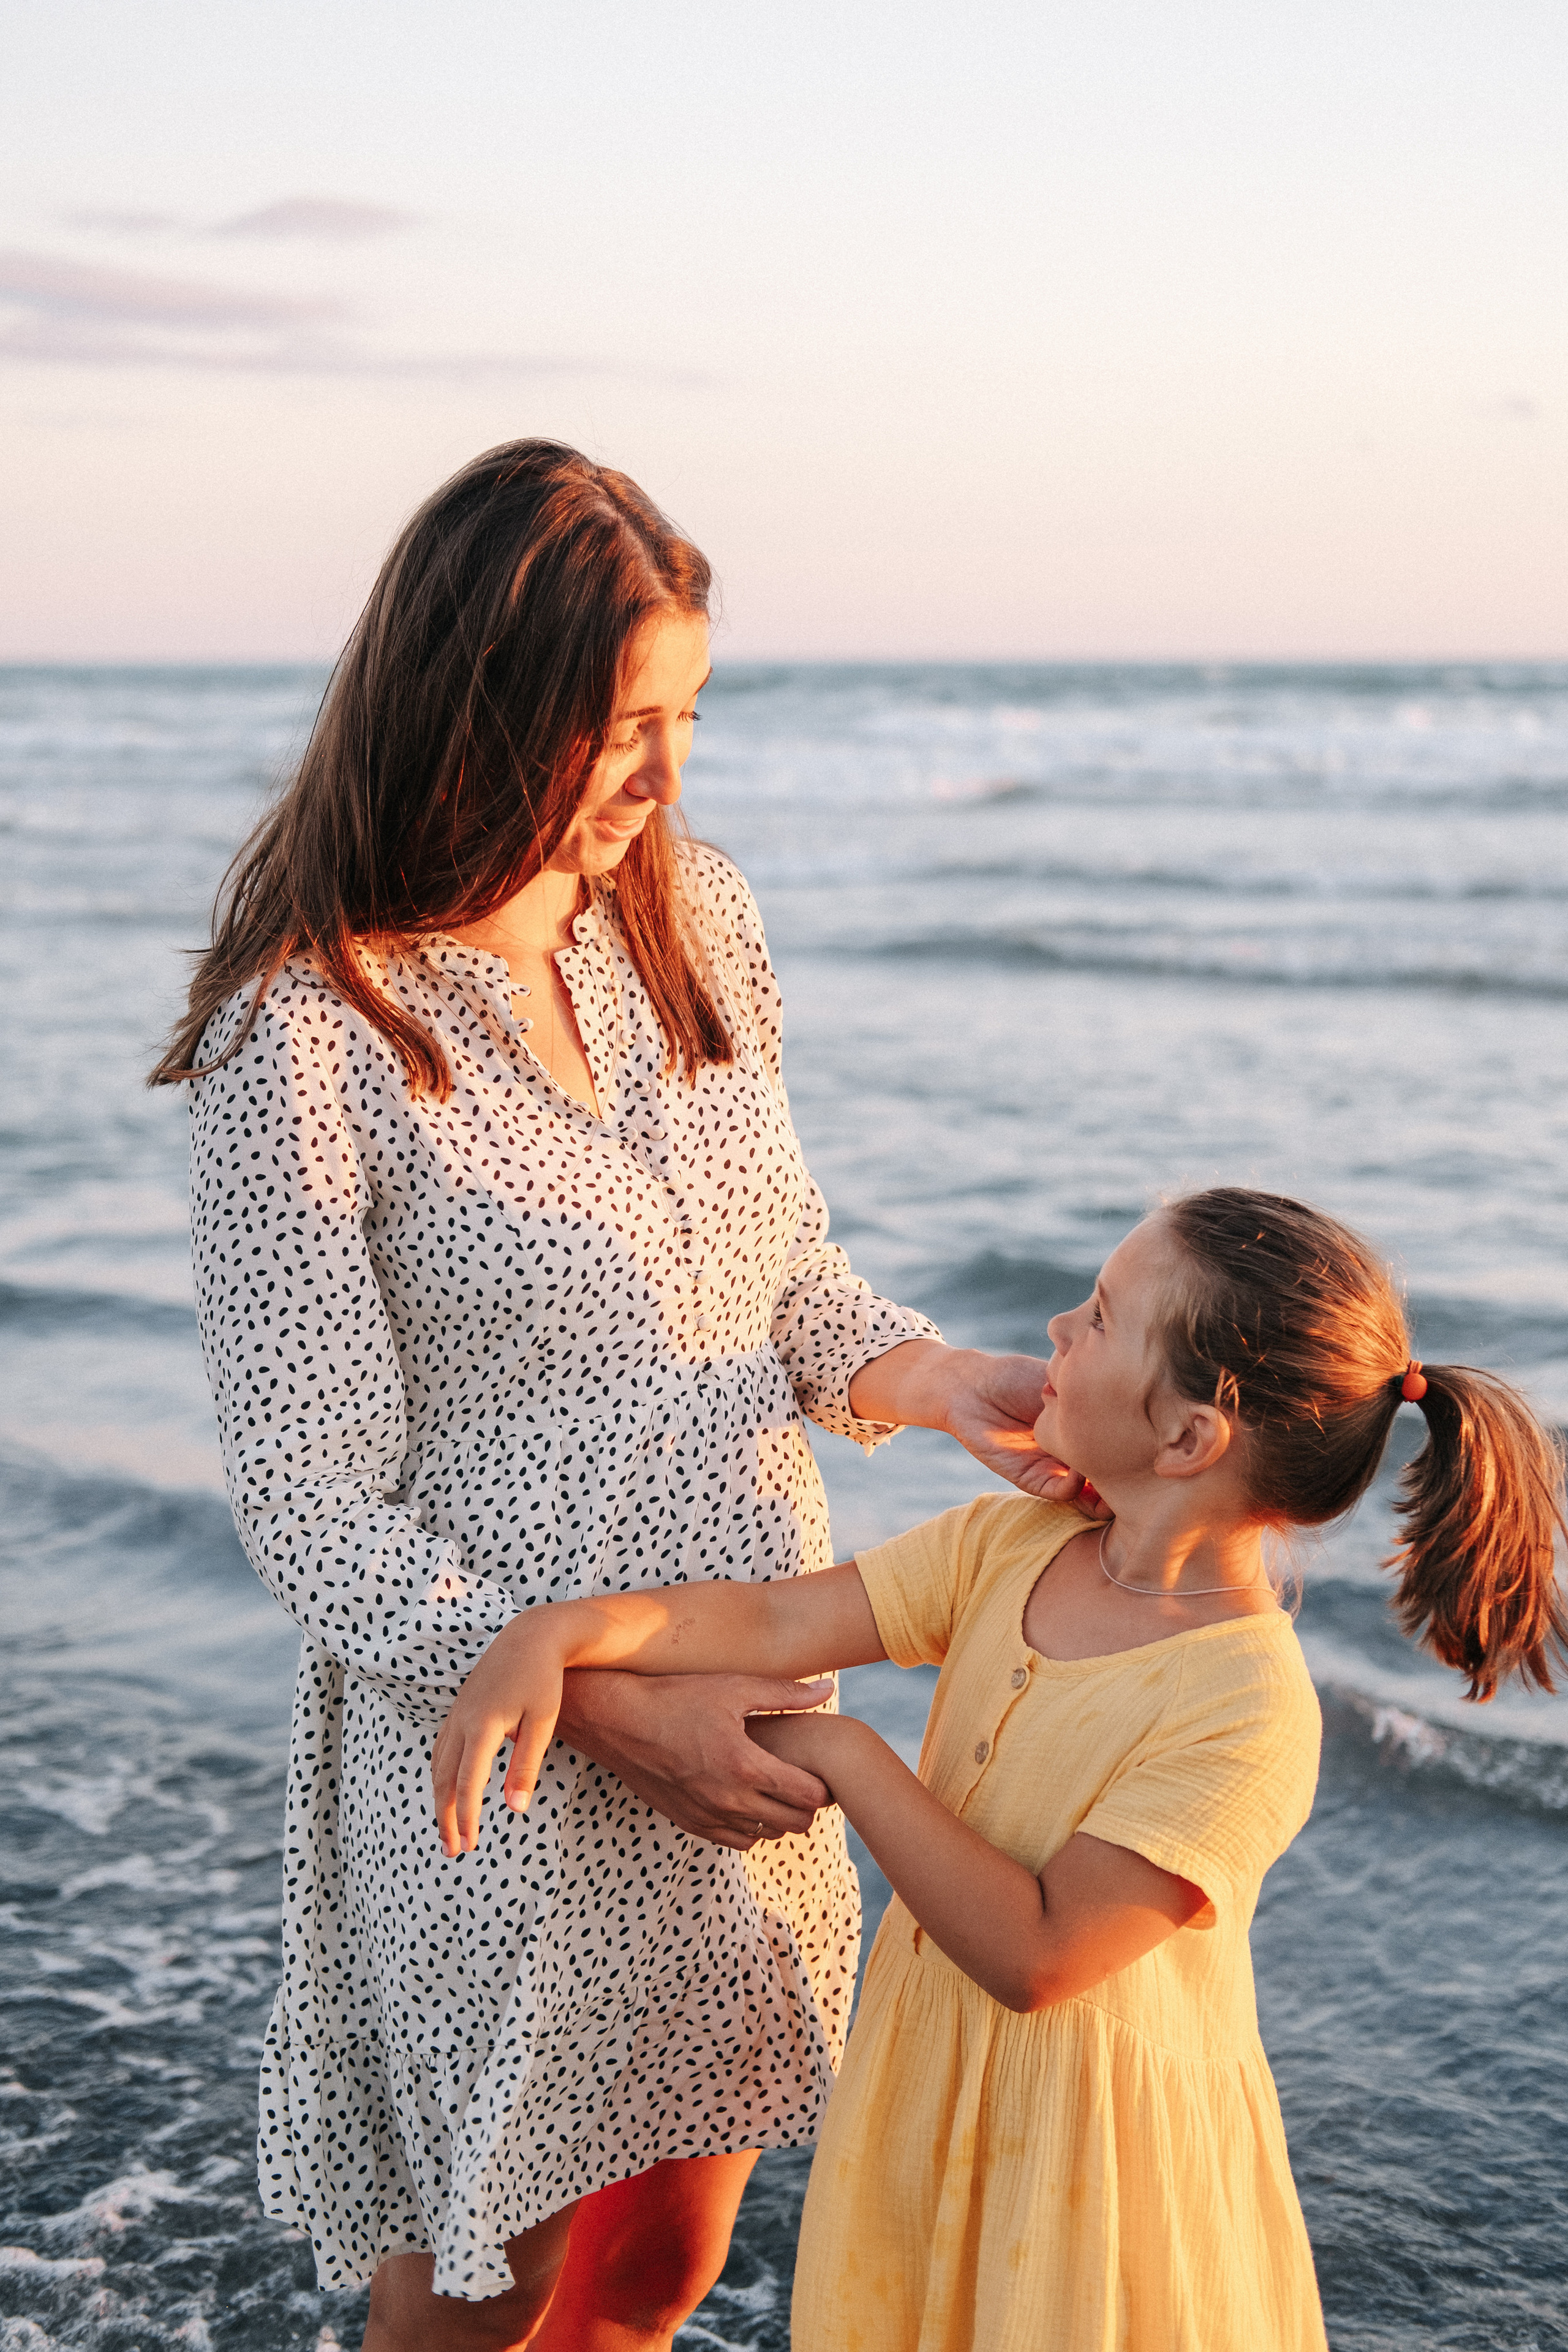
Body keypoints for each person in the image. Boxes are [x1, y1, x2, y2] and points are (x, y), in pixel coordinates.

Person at [151, 439, 1085, 2352]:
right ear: (480, 711)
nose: (667, 777)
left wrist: (951, 1384)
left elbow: (784, 1278)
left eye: (689, 718)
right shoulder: (308, 1036)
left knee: (664, 2265)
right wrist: (596, 1701)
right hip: (501, 1749)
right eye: (621, 729)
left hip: (750, 1677)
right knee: (487, 2297)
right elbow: (311, 1505)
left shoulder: (693, 914)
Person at [435, 1186, 1568, 2352]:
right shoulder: (1009, 1547)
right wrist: (558, 1633)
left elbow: (1039, 1955)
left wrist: (842, 1747)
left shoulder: (1247, 1708)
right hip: (930, 2097)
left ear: (1188, 1438)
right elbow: (774, 1627)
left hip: (1093, 2169)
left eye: (1100, 1318)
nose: (1057, 1334)